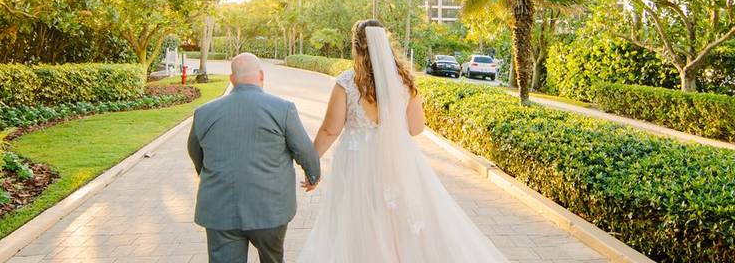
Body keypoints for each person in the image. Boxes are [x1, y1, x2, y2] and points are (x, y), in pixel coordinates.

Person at [298, 20, 509, 263]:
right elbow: (416, 128)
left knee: (357, 222)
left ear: (357, 47)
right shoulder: (404, 83)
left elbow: (329, 130)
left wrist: (311, 166)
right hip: (397, 162)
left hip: (357, 164)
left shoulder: (347, 83)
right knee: (394, 222)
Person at [188, 53, 321, 263]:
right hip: (269, 209)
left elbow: (195, 152)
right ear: (261, 75)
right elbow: (305, 150)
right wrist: (313, 176)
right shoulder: (283, 109)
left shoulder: (204, 112)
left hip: (219, 209)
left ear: (231, 79)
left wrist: (206, 174)